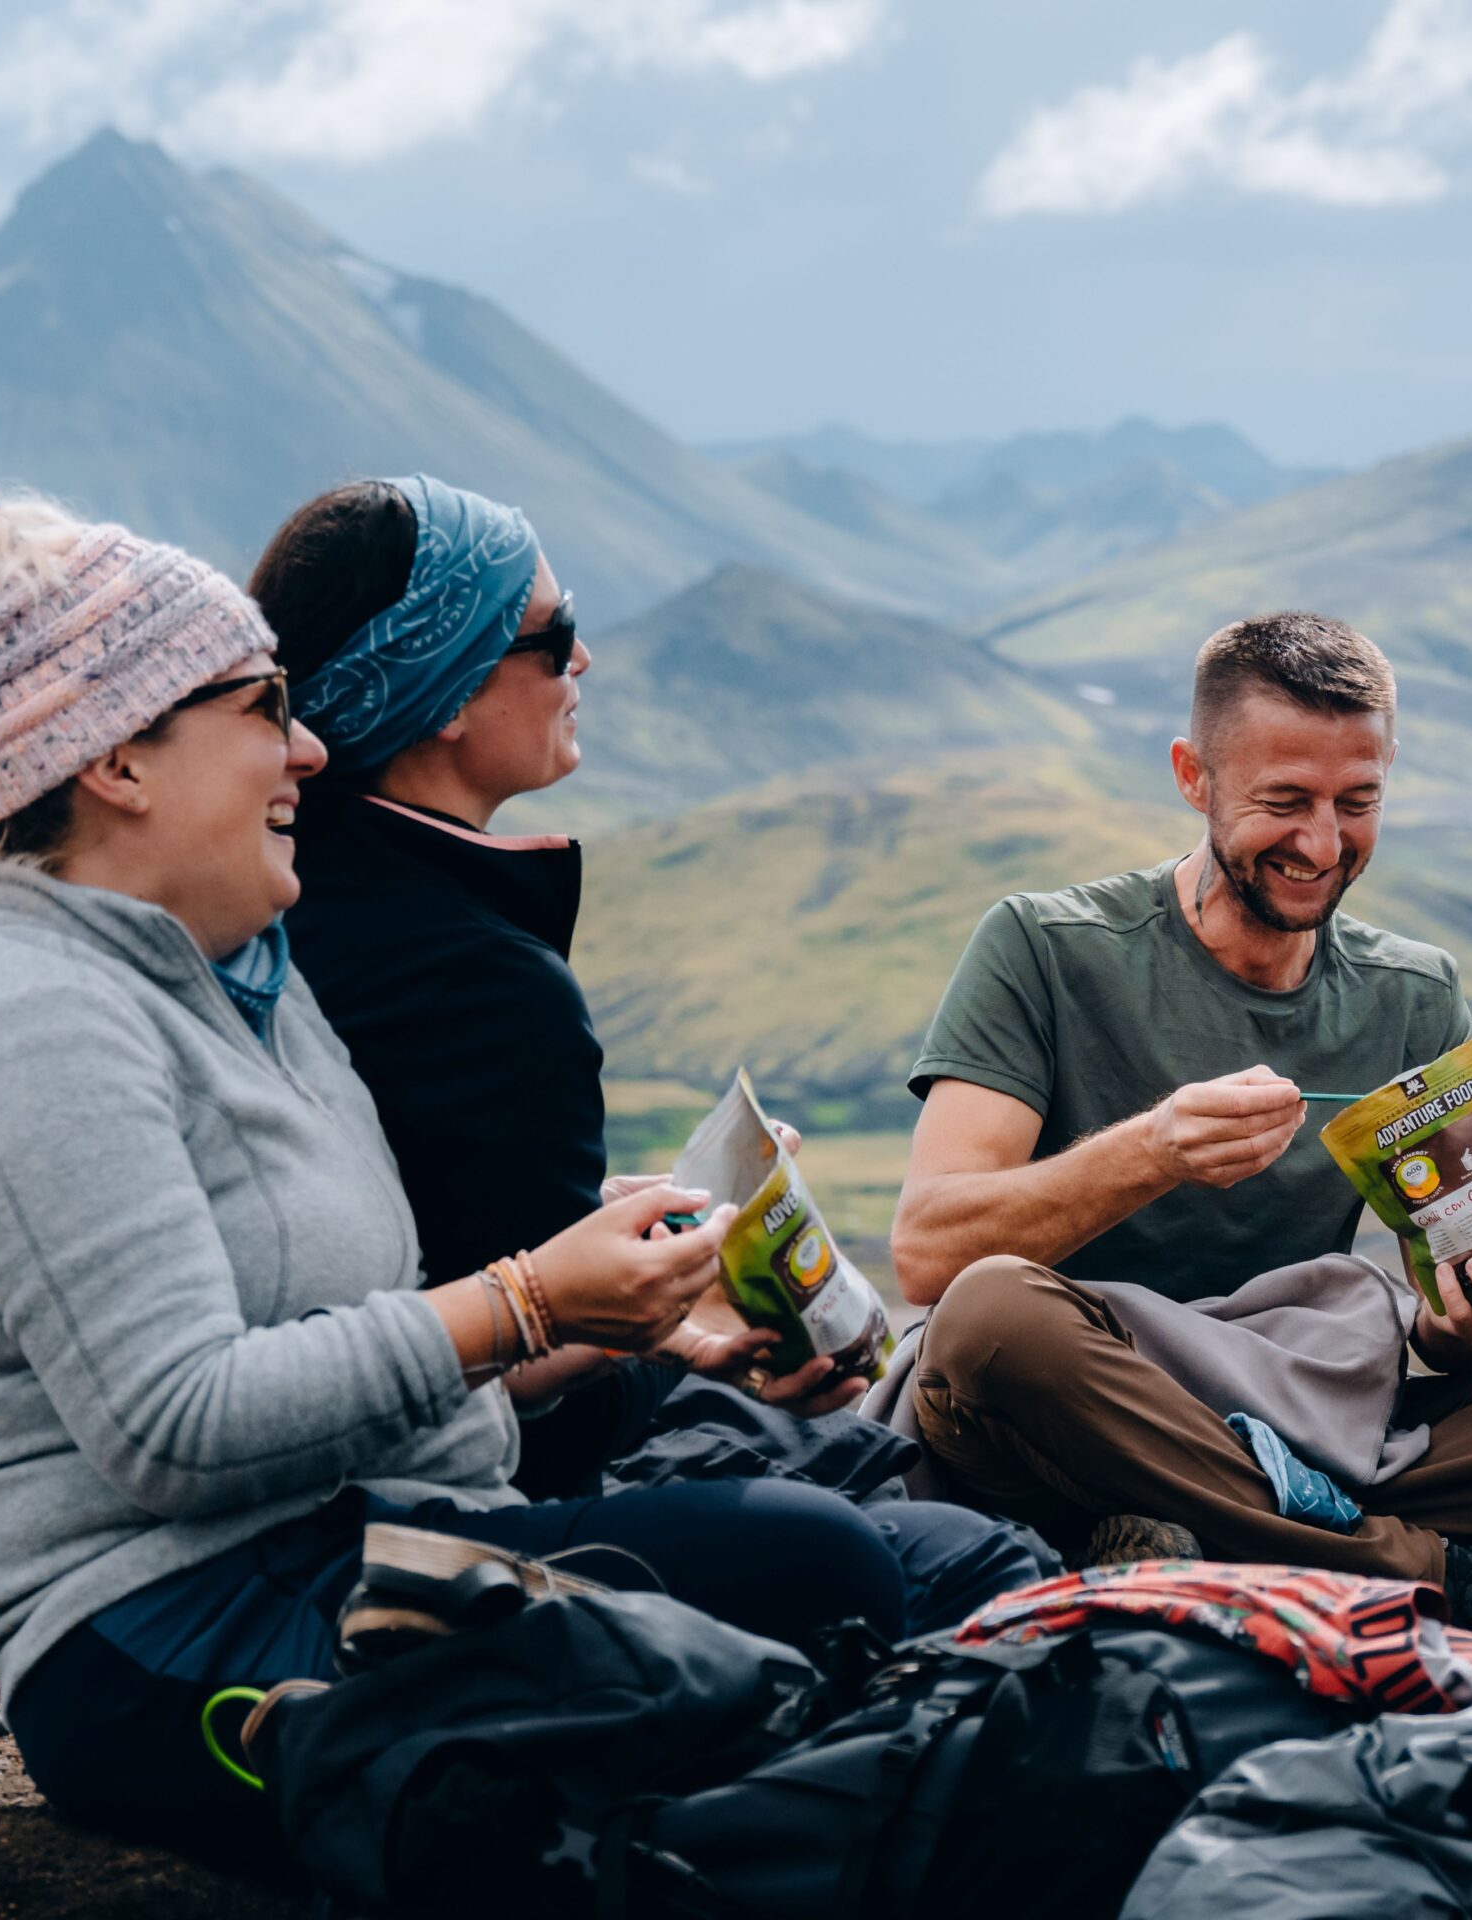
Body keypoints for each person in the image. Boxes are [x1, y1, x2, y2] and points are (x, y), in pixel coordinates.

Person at [0, 473, 996, 1862]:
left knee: (910, 1579)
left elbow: (364, 1377)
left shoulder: (240, 990)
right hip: (172, 1641)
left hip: (364, 1537)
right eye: (261, 712)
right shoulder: (38, 1027)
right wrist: (525, 1298)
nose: (309, 756)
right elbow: (177, 1428)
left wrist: (605, 1312)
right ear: (119, 761)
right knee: (821, 1585)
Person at [249, 475, 1049, 1618]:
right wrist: (666, 1326)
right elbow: (506, 1397)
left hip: (359, 1481)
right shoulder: (477, 983)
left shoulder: (290, 903)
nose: (585, 663)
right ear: (447, 694)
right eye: (554, 636)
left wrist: (651, 1277)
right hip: (441, 1514)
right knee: (961, 1558)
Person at [884, 612, 1472, 1659]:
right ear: (1193, 777)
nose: (1322, 845)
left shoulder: (1414, 996)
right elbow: (929, 1254)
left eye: (1357, 803)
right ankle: (1424, 1579)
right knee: (989, 1318)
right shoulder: (1042, 946)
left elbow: (1438, 1341)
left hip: (1299, 1407)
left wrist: (1462, 1325)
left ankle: (1193, 1555)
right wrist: (1151, 1151)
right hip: (1069, 1409)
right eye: (1283, 802)